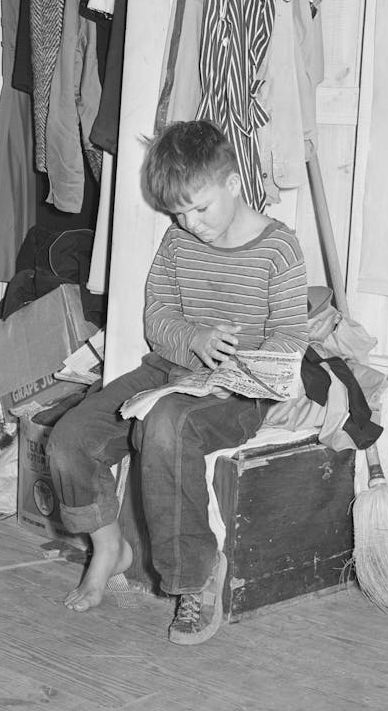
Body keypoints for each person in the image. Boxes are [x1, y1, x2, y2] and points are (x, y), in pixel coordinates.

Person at [47, 120, 308, 645]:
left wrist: (232, 371)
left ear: (233, 183)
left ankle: (195, 579)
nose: (191, 223)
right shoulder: (178, 239)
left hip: (238, 390)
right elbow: (158, 317)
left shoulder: (279, 248)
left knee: (166, 426)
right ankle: (109, 549)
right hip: (167, 372)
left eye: (200, 208)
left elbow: (289, 338)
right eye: (178, 213)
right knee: (69, 440)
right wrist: (195, 339)